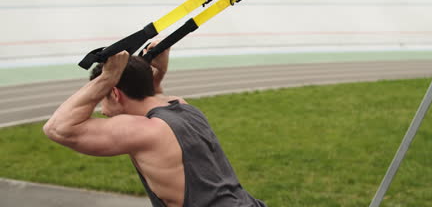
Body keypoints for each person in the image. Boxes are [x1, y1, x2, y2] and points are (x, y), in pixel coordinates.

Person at [42, 41, 267, 207]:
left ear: (115, 93)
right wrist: (158, 71)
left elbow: (57, 128)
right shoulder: (184, 108)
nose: (101, 110)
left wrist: (106, 78)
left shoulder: (144, 131)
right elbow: (152, 99)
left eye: (102, 98)